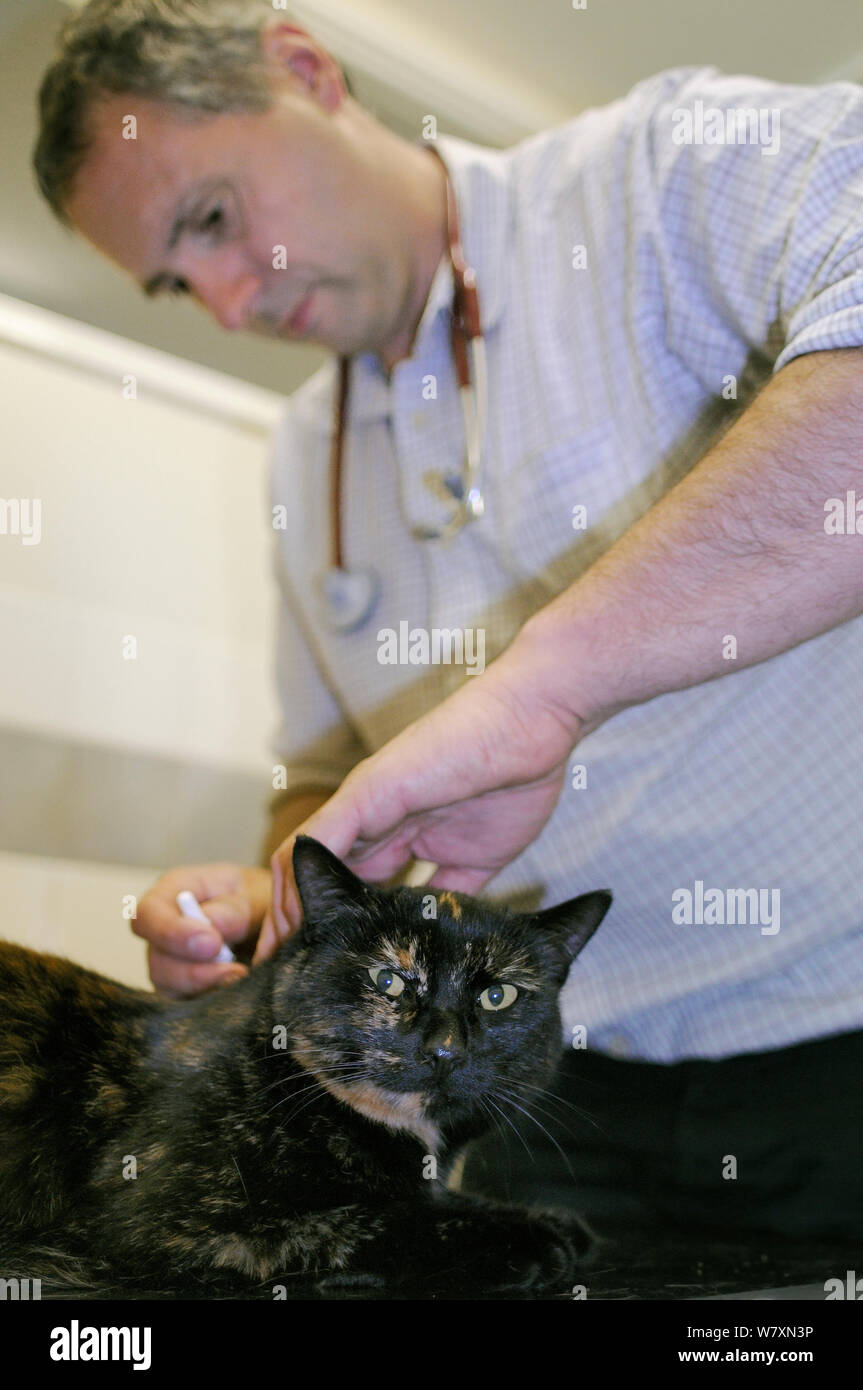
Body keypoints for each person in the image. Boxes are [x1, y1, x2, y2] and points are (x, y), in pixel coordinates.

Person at [34, 0, 863, 1241]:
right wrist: (270, 905)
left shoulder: (654, 177)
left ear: (303, 69)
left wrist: (547, 684)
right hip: (544, 1100)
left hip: (830, 1044)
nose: (219, 302)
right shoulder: (300, 453)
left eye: (211, 219)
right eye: (172, 281)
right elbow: (319, 771)